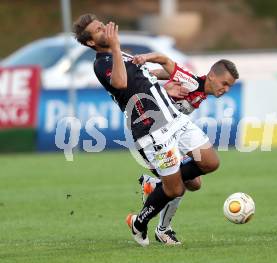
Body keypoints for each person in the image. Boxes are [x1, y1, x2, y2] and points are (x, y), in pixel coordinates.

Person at [72, 13, 221, 247]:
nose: (105, 30)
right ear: (91, 42)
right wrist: (116, 46)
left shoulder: (122, 54)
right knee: (176, 188)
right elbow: (121, 83)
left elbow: (144, 76)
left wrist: (166, 86)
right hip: (151, 131)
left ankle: (157, 186)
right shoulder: (101, 64)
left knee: (209, 162)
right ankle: (139, 222)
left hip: (173, 118)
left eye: (103, 25)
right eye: (99, 30)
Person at [135, 54, 239, 244]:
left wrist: (153, 76)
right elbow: (165, 61)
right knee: (181, 186)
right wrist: (146, 64)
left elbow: (168, 72)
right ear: (212, 76)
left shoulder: (200, 87)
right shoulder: (190, 82)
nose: (226, 89)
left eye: (230, 86)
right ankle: (163, 229)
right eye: (224, 83)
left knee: (194, 183)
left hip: (173, 135)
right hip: (153, 137)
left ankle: (154, 187)